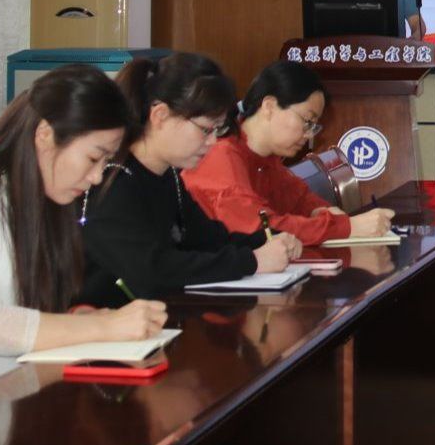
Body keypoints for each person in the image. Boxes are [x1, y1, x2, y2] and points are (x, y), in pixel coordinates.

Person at [0, 65, 169, 411]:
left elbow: (22, 314)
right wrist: (103, 327)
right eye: (93, 157)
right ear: (45, 134)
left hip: (7, 400)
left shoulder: (41, 203)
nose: (98, 177)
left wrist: (84, 320)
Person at [80, 53, 301, 306]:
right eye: (206, 129)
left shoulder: (169, 177)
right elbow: (153, 270)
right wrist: (253, 261)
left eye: (217, 130)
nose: (212, 142)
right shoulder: (113, 180)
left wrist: (269, 239)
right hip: (104, 324)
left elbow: (209, 241)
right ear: (160, 115)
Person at [184, 60, 396, 246]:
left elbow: (300, 200)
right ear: (269, 106)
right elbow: (261, 230)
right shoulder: (222, 153)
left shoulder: (266, 158)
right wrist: (345, 228)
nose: (308, 135)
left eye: (314, 126)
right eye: (307, 121)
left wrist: (323, 212)